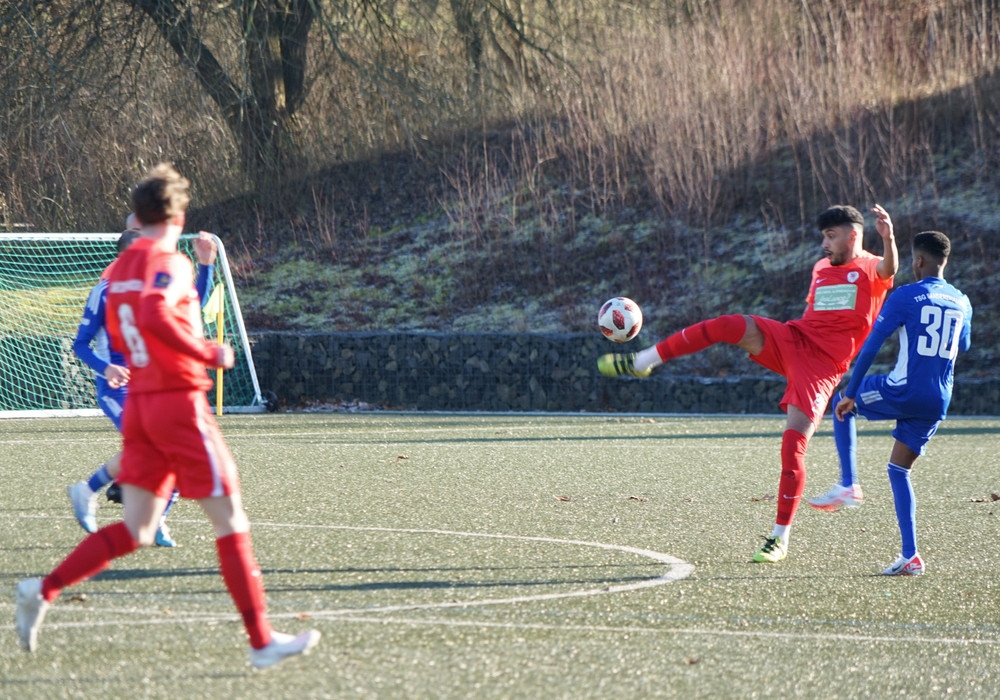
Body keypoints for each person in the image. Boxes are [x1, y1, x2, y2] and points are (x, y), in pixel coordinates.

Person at [15, 163, 321, 668]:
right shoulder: (167, 262)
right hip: (177, 405)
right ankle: (261, 640)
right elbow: (159, 312)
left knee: (137, 529)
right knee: (231, 519)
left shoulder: (117, 272)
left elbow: (143, 315)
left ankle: (42, 590)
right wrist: (208, 352)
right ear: (178, 217)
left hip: (141, 407)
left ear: (137, 216)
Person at [598, 204, 898, 563]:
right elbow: (815, 313)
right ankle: (644, 360)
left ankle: (779, 539)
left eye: (831, 236)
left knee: (793, 445)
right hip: (793, 339)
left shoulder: (871, 267)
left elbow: (889, 268)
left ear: (853, 235)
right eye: (823, 236)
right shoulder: (821, 267)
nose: (824, 244)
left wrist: (889, 239)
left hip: (822, 367)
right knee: (729, 324)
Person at [828, 231, 971, 575]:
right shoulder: (962, 301)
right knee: (898, 470)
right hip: (938, 399)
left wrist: (852, 391)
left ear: (918, 261)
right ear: (945, 261)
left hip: (903, 390)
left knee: (840, 404)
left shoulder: (906, 296)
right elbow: (963, 346)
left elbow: (872, 345)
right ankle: (910, 557)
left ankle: (848, 483)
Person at [68, 218, 218, 547]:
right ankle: (92, 492)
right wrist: (106, 368)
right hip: (118, 389)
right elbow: (80, 344)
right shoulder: (105, 292)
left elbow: (194, 302)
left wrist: (206, 265)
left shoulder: (155, 287)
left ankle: (148, 513)